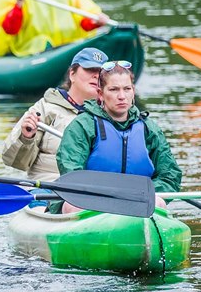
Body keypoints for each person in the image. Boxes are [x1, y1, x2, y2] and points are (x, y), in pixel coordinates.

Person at [55, 60, 182, 213]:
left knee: (158, 203)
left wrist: (142, 193)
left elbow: (170, 175)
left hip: (137, 201)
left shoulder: (149, 129)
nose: (122, 96)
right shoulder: (83, 126)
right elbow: (72, 175)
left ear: (133, 91)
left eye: (126, 89)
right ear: (101, 94)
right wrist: (106, 197)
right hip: (92, 200)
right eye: (114, 89)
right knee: (73, 207)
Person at [1, 47, 109, 182]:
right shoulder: (44, 108)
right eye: (89, 69)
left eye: (101, 72)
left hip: (92, 189)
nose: (96, 75)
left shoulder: (111, 114)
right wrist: (26, 138)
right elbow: (14, 162)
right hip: (49, 185)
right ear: (72, 74)